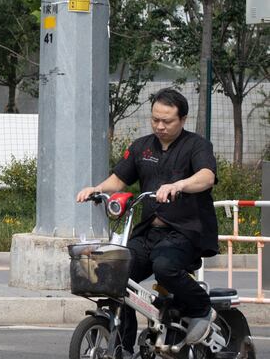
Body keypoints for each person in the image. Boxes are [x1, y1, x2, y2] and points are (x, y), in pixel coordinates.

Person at [76, 88, 219, 353]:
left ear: (183, 119)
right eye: (155, 119)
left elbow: (206, 176)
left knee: (165, 268)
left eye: (167, 121)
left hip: (184, 233)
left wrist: (181, 184)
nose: (160, 126)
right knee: (116, 275)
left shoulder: (197, 145)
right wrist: (96, 189)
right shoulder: (142, 147)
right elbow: (119, 178)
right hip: (148, 232)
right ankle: (122, 347)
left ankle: (201, 307)